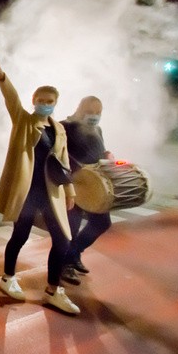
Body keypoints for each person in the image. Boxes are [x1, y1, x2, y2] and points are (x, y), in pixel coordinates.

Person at [0, 53, 80, 315]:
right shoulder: (24, 121)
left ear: (56, 103)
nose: (45, 105)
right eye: (41, 100)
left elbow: (63, 161)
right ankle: (7, 278)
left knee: (63, 240)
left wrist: (70, 191)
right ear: (34, 101)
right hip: (27, 191)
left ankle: (53, 291)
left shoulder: (58, 129)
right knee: (20, 235)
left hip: (52, 192)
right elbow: (11, 98)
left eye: (50, 102)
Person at [60, 96, 114, 285]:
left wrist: (107, 155)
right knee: (71, 227)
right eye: (90, 112)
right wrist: (77, 168)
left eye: (98, 113)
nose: (94, 117)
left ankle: (74, 253)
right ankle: (64, 265)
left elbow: (100, 152)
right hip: (74, 185)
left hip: (95, 185)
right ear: (81, 110)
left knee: (102, 223)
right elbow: (58, 154)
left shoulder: (97, 130)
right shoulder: (65, 127)